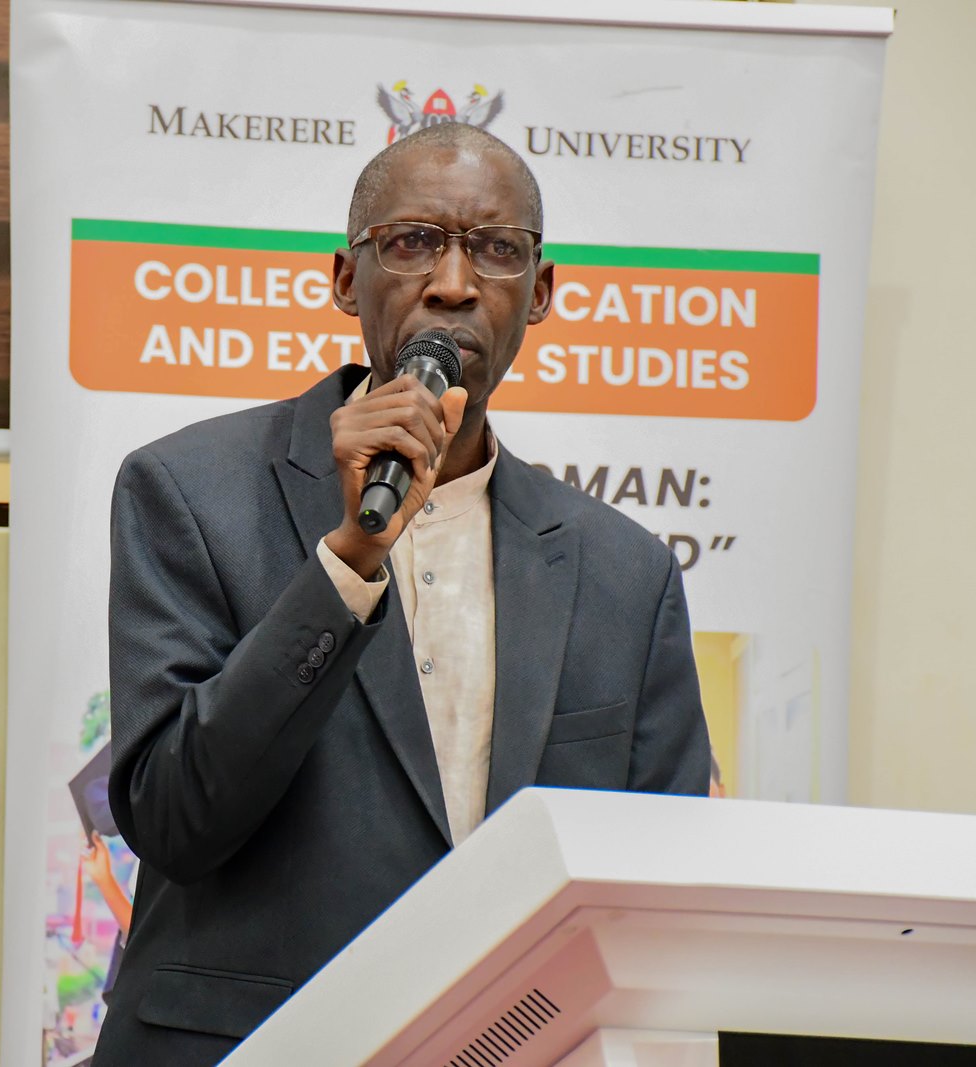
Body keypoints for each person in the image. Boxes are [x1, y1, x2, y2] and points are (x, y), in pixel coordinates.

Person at [96, 123, 711, 1066]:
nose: (455, 282)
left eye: (496, 249)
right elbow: (175, 818)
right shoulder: (187, 492)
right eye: (414, 241)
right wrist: (348, 561)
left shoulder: (625, 573)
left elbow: (663, 893)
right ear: (346, 278)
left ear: (539, 294)